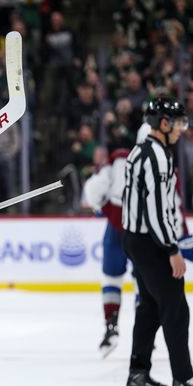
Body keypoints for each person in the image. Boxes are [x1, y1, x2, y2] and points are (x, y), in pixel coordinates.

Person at [121, 96, 193, 386]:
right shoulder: (156, 156)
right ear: (163, 123)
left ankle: (138, 374)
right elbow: (157, 210)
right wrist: (172, 248)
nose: (182, 128)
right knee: (175, 307)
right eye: (179, 122)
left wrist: (178, 239)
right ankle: (183, 378)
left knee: (150, 306)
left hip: (138, 239)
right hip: (152, 242)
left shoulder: (144, 150)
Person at [83, 147, 132, 358]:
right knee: (144, 281)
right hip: (138, 229)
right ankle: (145, 328)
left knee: (111, 279)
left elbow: (94, 192)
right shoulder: (147, 159)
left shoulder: (111, 165)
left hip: (116, 230)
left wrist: (98, 206)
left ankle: (111, 326)